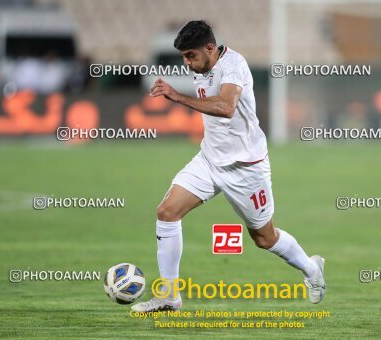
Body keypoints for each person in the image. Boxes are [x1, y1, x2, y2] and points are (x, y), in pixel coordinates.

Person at [132, 20, 325, 312]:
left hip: (246, 168)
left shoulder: (234, 66)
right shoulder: (202, 66)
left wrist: (177, 96)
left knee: (264, 237)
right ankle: (170, 296)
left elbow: (226, 107)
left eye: (191, 56)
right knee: (167, 212)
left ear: (210, 48)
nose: (187, 63)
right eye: (183, 57)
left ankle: (311, 269)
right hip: (210, 160)